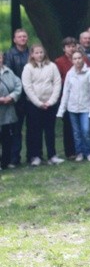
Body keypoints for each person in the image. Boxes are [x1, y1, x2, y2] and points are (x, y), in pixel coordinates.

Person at [21, 45, 63, 166]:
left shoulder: (52, 66)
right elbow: (27, 87)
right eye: (37, 53)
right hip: (34, 105)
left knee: (50, 130)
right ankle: (37, 155)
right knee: (36, 131)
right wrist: (38, 103)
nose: (39, 55)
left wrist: (51, 101)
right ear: (32, 55)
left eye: (41, 52)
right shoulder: (28, 68)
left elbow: (57, 83)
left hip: (50, 103)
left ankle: (52, 155)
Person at [57, 51, 90, 162]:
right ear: (72, 60)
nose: (77, 60)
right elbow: (66, 92)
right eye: (75, 59)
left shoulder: (89, 73)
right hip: (72, 108)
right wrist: (61, 110)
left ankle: (89, 151)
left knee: (85, 130)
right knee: (76, 132)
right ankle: (79, 152)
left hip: (85, 107)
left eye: (79, 58)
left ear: (83, 59)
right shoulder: (70, 74)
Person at [55, 37, 90, 158]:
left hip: (83, 97)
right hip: (68, 97)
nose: (71, 48)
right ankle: (71, 151)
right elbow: (57, 79)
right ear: (64, 48)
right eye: (68, 46)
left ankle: (86, 150)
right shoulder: (59, 61)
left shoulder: (83, 59)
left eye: (73, 45)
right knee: (69, 127)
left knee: (84, 128)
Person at [4, 28, 30, 168]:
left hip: (31, 95)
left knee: (32, 127)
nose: (22, 39)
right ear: (14, 39)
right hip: (16, 97)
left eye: (24, 36)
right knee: (16, 129)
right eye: (19, 37)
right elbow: (9, 76)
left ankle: (33, 155)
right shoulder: (9, 54)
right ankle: (15, 158)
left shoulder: (32, 52)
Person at [0, 54, 23, 171]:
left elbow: (18, 85)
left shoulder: (9, 71)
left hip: (8, 111)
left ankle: (5, 161)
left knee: (7, 137)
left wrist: (12, 97)